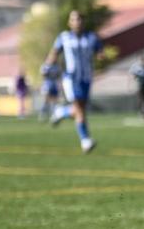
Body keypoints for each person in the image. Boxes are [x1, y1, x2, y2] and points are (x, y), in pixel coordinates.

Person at [43, 10, 103, 153]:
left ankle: (61, 112)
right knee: (80, 109)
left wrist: (102, 56)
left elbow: (99, 51)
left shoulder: (91, 37)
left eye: (80, 19)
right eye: (74, 19)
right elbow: (54, 53)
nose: (78, 22)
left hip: (86, 79)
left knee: (79, 109)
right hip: (71, 79)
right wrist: (47, 66)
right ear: (69, 22)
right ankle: (85, 140)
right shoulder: (64, 38)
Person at [129, 54, 144, 118]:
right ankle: (141, 113)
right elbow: (133, 76)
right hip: (139, 86)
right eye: (142, 59)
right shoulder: (136, 67)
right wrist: (131, 85)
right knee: (141, 100)